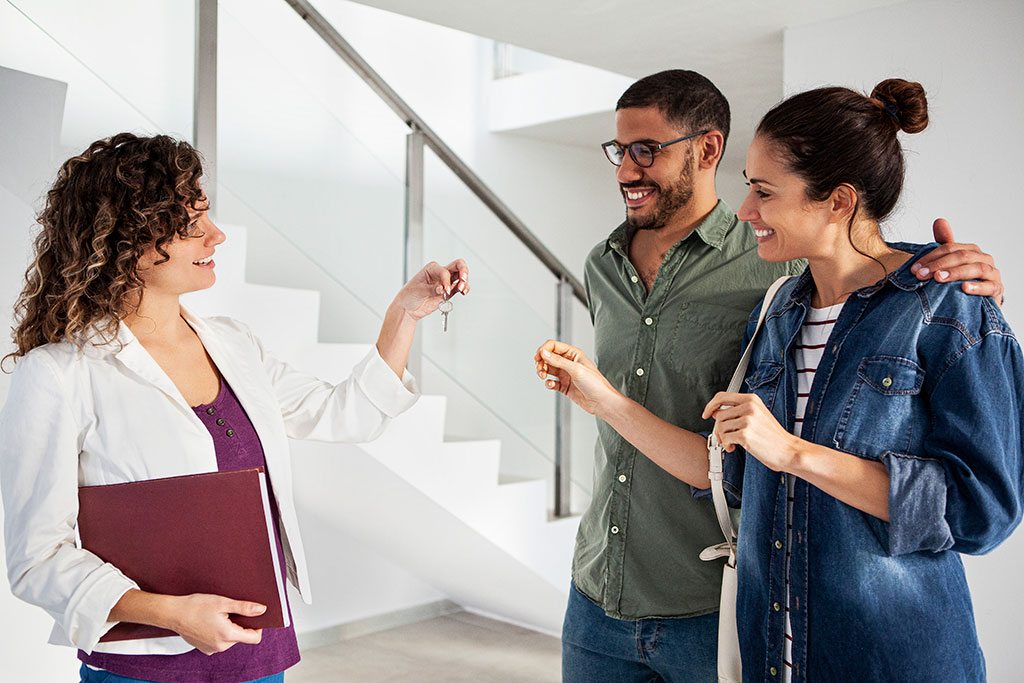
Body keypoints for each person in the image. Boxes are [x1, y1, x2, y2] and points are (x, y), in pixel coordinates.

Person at [537, 78, 1023, 682]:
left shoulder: (947, 307)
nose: (746, 211)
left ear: (839, 200)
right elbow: (731, 472)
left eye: (763, 192)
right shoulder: (779, 311)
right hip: (773, 648)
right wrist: (603, 399)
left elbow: (982, 512)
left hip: (888, 658)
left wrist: (791, 452)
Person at [0, 133, 469, 683]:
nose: (216, 235)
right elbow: (37, 559)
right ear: (127, 238)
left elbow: (349, 414)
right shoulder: (61, 373)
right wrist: (172, 614)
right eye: (190, 222)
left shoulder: (233, 345)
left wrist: (404, 316)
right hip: (147, 667)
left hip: (257, 650)